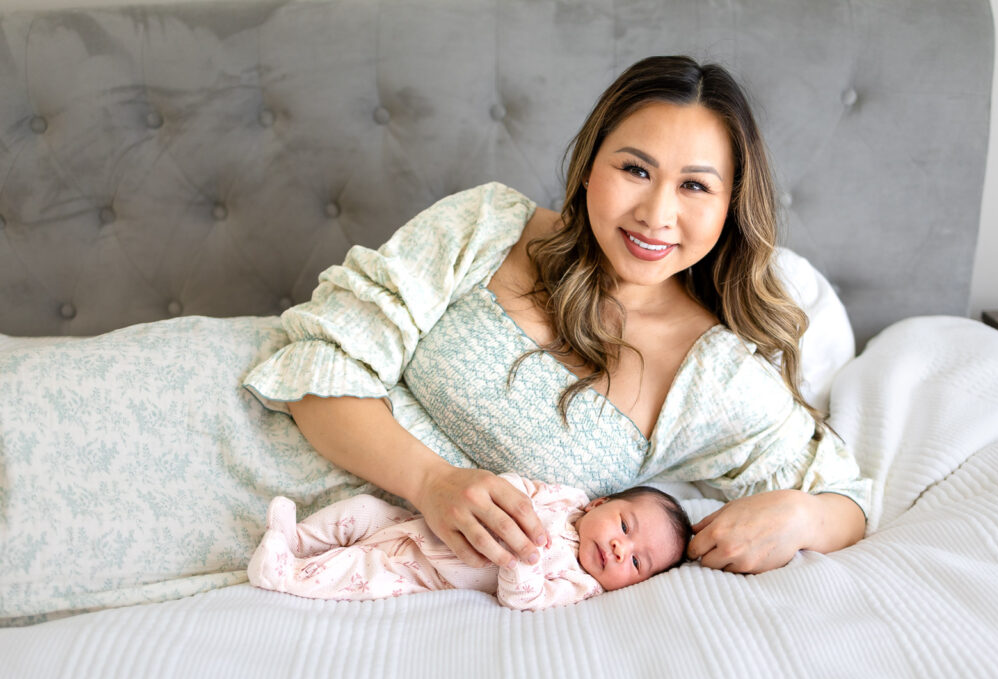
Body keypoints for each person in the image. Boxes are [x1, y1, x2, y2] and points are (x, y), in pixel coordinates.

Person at [244, 55, 871, 577]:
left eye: (694, 186)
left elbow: (846, 498)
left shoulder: (712, 375)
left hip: (294, 550)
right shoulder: (489, 225)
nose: (656, 214)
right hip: (230, 419)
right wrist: (430, 482)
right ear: (590, 164)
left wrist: (798, 517)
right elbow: (315, 365)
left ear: (731, 204)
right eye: (635, 169)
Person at [247, 473, 692, 610]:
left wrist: (522, 561)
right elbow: (519, 487)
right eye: (626, 528)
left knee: (361, 573)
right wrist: (504, 489)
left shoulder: (579, 584)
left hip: (427, 572)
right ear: (600, 504)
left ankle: (285, 574)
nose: (620, 549)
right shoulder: (566, 500)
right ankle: (300, 539)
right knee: (364, 510)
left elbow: (525, 598)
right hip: (423, 525)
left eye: (636, 564)